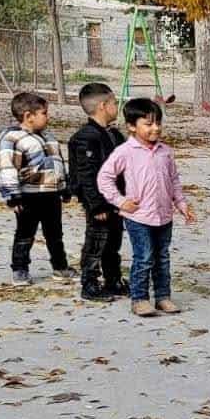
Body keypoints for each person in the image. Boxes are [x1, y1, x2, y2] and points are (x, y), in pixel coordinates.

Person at [97, 98, 196, 317]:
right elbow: (104, 177)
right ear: (132, 126)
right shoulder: (125, 152)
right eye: (149, 124)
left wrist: (181, 204)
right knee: (144, 257)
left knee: (162, 257)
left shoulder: (165, 152)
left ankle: (163, 297)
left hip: (164, 216)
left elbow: (174, 180)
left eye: (158, 123)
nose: (156, 128)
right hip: (139, 217)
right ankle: (139, 298)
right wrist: (121, 201)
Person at [0, 92, 75, 286]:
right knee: (25, 234)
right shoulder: (12, 138)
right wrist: (13, 196)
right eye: (44, 113)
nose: (47, 117)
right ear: (28, 115)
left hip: (51, 194)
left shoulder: (48, 137)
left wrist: (65, 187)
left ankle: (60, 267)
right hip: (28, 196)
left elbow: (58, 163)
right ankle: (20, 269)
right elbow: (8, 167)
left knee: (55, 234)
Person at [68, 83, 128, 301]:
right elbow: (86, 175)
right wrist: (96, 204)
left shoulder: (113, 135)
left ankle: (113, 280)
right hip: (99, 203)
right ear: (103, 105)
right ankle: (90, 282)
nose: (116, 106)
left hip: (116, 200)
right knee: (96, 242)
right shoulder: (85, 138)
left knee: (113, 243)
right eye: (113, 102)